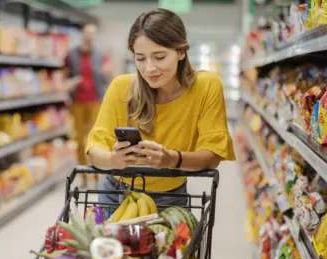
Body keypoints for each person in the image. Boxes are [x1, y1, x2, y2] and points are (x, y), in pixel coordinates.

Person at [85, 8, 236, 211]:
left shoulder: (206, 86)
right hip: (115, 195)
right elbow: (94, 151)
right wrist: (113, 159)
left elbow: (212, 155)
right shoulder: (121, 87)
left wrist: (171, 159)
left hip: (170, 198)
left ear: (181, 51)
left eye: (159, 56)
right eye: (140, 58)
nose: (149, 69)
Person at [64, 22, 113, 188]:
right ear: (82, 34)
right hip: (77, 101)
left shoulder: (100, 55)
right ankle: (83, 175)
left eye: (93, 33)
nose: (90, 36)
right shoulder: (71, 55)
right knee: (79, 140)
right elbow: (64, 76)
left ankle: (97, 176)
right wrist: (68, 85)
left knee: (96, 140)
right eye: (87, 33)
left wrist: (108, 74)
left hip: (95, 102)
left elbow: (108, 76)